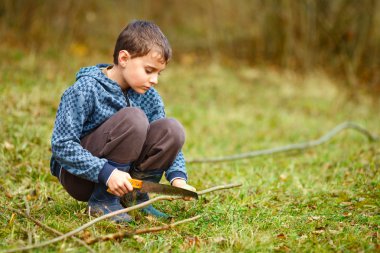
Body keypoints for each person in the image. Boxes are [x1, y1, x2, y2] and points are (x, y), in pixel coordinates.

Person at [50, 20, 196, 223]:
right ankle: (102, 201)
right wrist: (107, 173)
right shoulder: (85, 89)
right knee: (134, 118)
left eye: (158, 73)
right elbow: (61, 145)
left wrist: (178, 179)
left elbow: (167, 140)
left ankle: (134, 198)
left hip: (127, 180)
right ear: (124, 58)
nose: (155, 80)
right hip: (83, 178)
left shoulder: (150, 97)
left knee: (172, 130)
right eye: (149, 70)